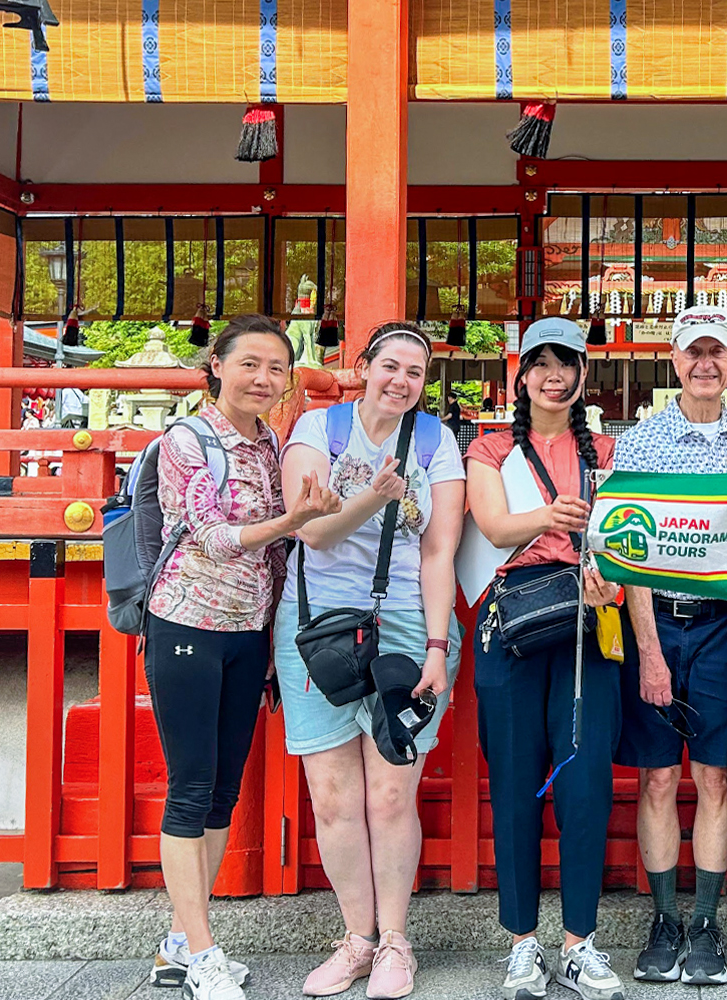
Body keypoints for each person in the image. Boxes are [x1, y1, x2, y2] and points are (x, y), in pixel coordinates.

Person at [143, 314, 341, 1000]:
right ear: (217, 366)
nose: (263, 378)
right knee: (191, 785)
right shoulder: (186, 440)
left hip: (249, 630)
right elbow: (214, 536)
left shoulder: (271, 444)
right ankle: (202, 951)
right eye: (249, 363)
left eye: (276, 368)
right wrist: (294, 520)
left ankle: (178, 942)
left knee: (224, 789)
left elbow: (282, 554)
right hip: (187, 621)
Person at [275, 322, 465, 1000]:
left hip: (406, 623)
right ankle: (355, 937)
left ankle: (394, 942)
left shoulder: (437, 443)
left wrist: (439, 647)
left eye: (415, 372)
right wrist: (375, 496)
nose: (401, 382)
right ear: (363, 367)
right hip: (318, 624)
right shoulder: (317, 432)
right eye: (389, 366)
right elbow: (315, 532)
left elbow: (440, 550)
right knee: (332, 798)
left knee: (390, 794)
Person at [614, 305, 727, 986]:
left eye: (718, 352)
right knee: (656, 777)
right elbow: (628, 551)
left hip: (722, 627)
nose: (705, 364)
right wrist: (649, 654)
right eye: (693, 353)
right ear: (675, 361)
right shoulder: (641, 443)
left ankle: (708, 921)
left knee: (714, 776)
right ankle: (663, 919)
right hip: (658, 624)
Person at [466, 317, 627, 1000]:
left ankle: (580, 942)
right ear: (521, 375)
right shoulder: (490, 447)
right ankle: (521, 944)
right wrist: (554, 518)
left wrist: (609, 580)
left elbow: (626, 538)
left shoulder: (610, 450)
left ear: (584, 376)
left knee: (586, 781)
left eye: (568, 364)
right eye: (542, 364)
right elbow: (495, 527)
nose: (554, 376)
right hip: (514, 619)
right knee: (513, 783)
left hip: (590, 618)